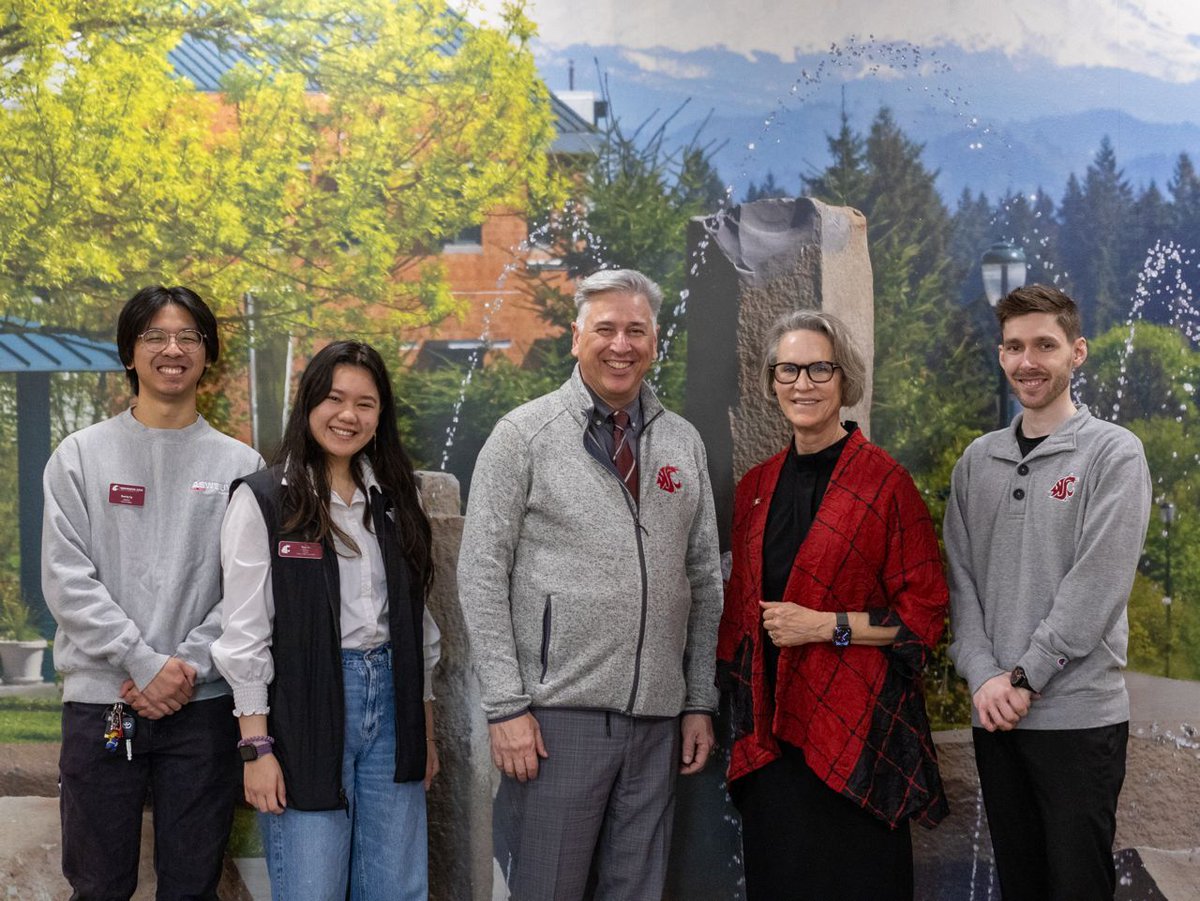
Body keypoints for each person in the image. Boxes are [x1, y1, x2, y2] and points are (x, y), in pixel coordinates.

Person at [458, 268, 723, 900]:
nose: (620, 344)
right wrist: (507, 707)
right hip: (554, 724)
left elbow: (706, 581)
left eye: (636, 330)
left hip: (657, 722)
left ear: (656, 341)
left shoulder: (682, 442)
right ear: (577, 337)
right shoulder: (523, 436)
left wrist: (698, 701)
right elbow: (480, 571)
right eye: (605, 328)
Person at [717, 309, 949, 901]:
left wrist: (825, 627)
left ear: (845, 381)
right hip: (772, 742)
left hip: (858, 736)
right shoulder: (755, 488)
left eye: (820, 368)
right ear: (771, 382)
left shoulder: (885, 484)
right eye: (788, 369)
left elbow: (922, 619)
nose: (803, 383)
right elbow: (739, 621)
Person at [42, 285, 264, 899]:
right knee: (98, 884)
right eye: (155, 337)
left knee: (193, 885)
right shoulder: (79, 457)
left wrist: (183, 668)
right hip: (102, 704)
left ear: (208, 353)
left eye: (188, 336)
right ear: (129, 353)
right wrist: (142, 662)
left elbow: (246, 592)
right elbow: (66, 578)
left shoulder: (240, 465)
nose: (173, 349)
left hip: (201, 710)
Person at [211, 341, 440, 901]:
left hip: (393, 703)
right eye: (335, 398)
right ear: (309, 402)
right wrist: (257, 750)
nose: (349, 415)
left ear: (380, 415)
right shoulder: (265, 499)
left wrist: (425, 732)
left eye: (366, 403)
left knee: (396, 889)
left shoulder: (394, 496)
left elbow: (420, 626)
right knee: (312, 886)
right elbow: (245, 635)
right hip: (304, 705)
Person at [945, 284, 1151, 900]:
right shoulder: (977, 461)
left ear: (1077, 352)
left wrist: (1024, 677)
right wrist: (984, 677)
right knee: (1021, 884)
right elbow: (960, 581)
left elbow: (1098, 584)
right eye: (1014, 346)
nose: (1027, 360)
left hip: (1077, 721)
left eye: (1044, 345)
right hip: (998, 719)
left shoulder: (1114, 454)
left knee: (1076, 886)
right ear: (1001, 354)